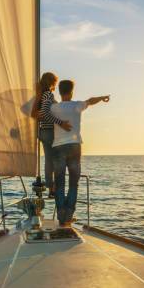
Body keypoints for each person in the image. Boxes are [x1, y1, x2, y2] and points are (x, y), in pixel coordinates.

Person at [51, 80, 109, 227]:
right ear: (71, 92)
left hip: (58, 147)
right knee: (73, 183)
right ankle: (68, 216)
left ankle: (61, 217)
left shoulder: (53, 108)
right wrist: (102, 98)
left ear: (59, 92)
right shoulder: (77, 105)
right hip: (74, 147)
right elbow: (90, 101)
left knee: (59, 184)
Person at [31, 72, 71, 198]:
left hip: (43, 131)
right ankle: (52, 188)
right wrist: (61, 123)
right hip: (48, 132)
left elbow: (40, 113)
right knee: (53, 161)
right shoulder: (48, 94)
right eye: (55, 82)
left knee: (49, 160)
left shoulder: (42, 94)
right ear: (52, 82)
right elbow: (44, 114)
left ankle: (51, 188)